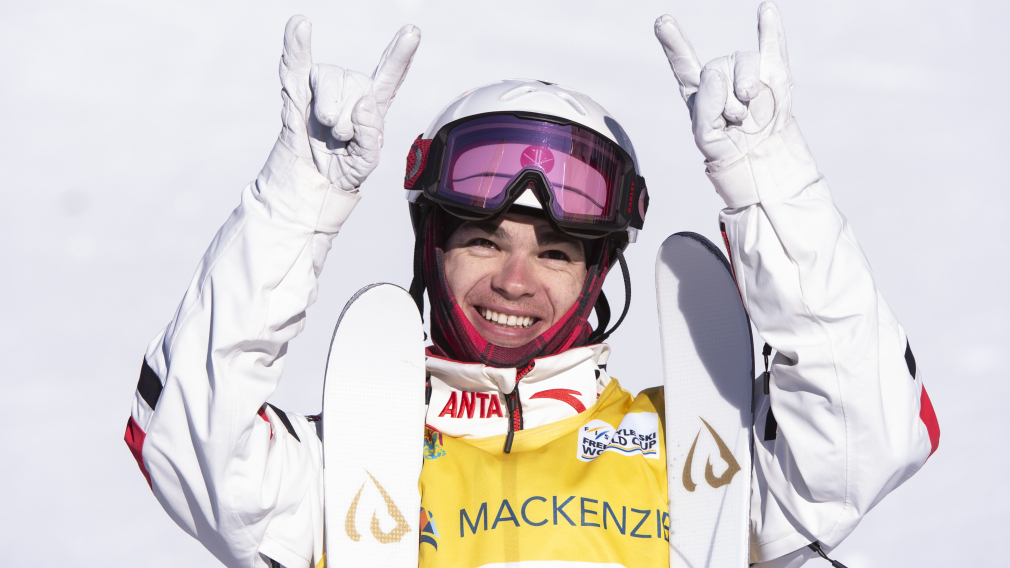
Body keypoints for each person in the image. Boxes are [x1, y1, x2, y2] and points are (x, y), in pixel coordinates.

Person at [124, 4, 939, 567]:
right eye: (482, 240)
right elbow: (187, 437)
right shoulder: (344, 465)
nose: (513, 281)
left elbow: (867, 430)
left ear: (598, 274)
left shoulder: (693, 449)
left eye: (555, 252)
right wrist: (297, 198)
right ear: (431, 250)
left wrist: (769, 184)